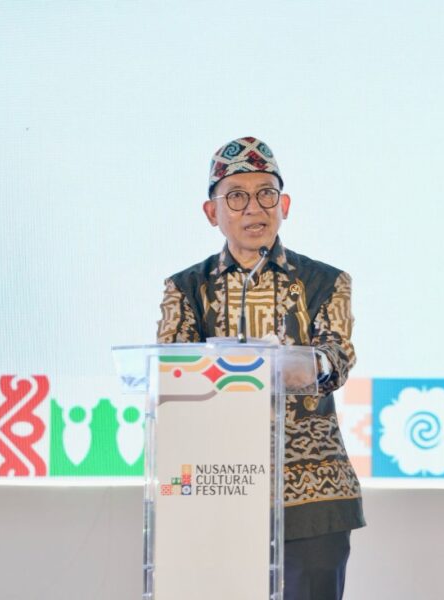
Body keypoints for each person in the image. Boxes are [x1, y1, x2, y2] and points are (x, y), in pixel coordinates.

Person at [156, 136, 365, 600]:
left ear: (284, 205)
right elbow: (170, 371)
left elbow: (336, 359)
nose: (254, 208)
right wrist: (250, 368)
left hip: (312, 492)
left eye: (266, 194)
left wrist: (259, 365)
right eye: (236, 196)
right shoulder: (186, 288)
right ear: (211, 212)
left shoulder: (325, 281)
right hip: (217, 486)